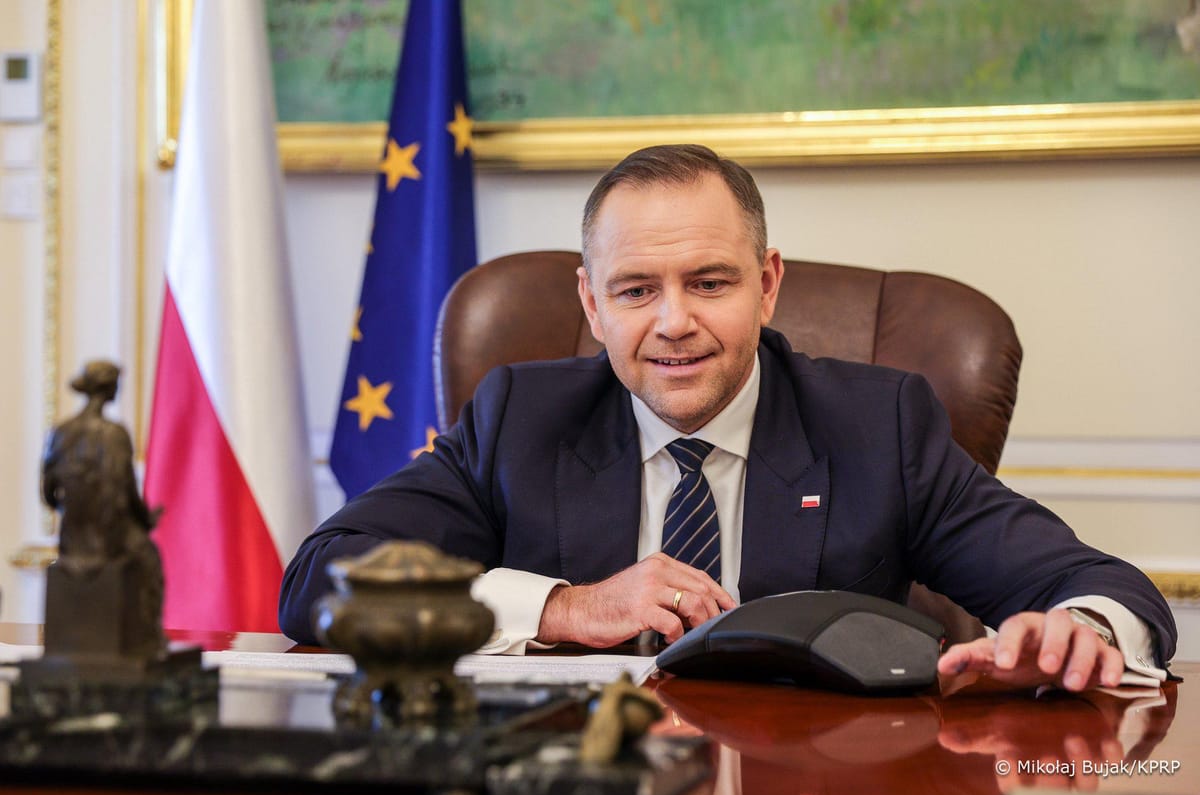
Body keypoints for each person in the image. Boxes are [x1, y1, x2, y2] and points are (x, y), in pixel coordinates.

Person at [281, 144, 1176, 691]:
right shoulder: (521, 417)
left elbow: (1109, 591)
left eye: (710, 282)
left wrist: (1079, 636)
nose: (674, 321)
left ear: (767, 284)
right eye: (636, 290)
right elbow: (323, 578)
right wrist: (564, 606)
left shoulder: (881, 427)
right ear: (592, 305)